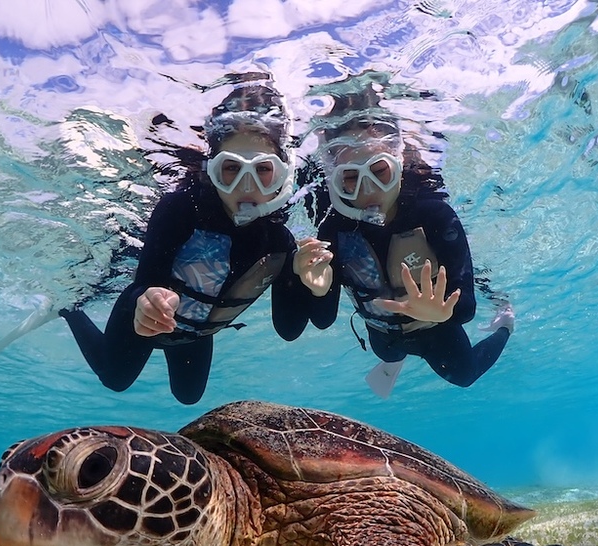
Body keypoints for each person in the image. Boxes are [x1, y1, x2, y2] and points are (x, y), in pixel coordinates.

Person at [59, 82, 311, 404]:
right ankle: (71, 310)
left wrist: (302, 278)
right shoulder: (180, 209)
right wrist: (145, 300)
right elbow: (145, 281)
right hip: (142, 318)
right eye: (231, 168)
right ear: (211, 171)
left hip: (195, 333)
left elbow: (289, 330)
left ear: (283, 176)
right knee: (115, 379)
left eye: (263, 170)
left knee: (188, 396)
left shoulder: (280, 243)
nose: (246, 185)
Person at [294, 98, 514, 397]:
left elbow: (466, 309)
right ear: (335, 178)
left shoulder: (434, 215)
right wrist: (317, 290)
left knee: (466, 375)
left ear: (398, 163)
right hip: (382, 334)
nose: (369, 189)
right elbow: (322, 320)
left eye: (379, 171)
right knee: (388, 353)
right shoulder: (334, 229)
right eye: (351, 177)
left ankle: (505, 325)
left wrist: (441, 313)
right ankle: (394, 361)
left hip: (436, 329)